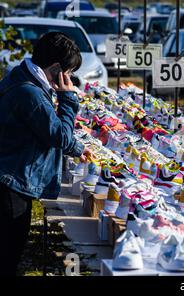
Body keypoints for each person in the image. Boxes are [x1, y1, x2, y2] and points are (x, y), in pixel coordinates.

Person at [0, 32, 91, 276]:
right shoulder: (30, 93)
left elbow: (44, 128)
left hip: (11, 178)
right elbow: (58, 135)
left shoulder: (24, 79)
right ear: (56, 68)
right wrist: (69, 99)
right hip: (10, 184)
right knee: (8, 257)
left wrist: (77, 148)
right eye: (69, 73)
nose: (70, 79)